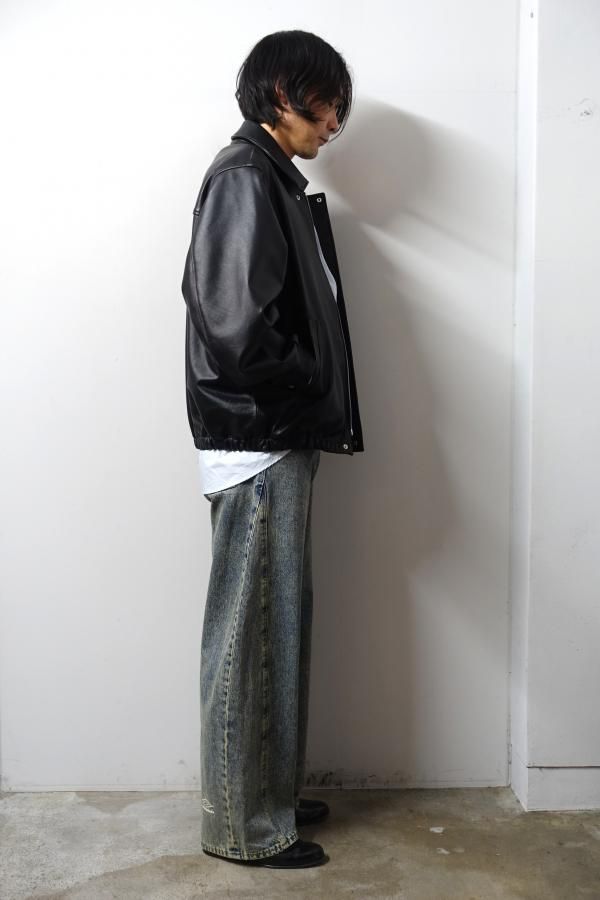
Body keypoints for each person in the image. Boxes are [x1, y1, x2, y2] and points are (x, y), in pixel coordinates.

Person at [180, 29, 365, 869]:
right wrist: (307, 381)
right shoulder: (244, 177)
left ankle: (268, 795)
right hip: (258, 439)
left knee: (277, 630)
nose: (335, 125)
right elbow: (235, 327)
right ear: (284, 94)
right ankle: (241, 827)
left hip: (275, 435)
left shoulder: (273, 178)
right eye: (327, 106)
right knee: (251, 635)